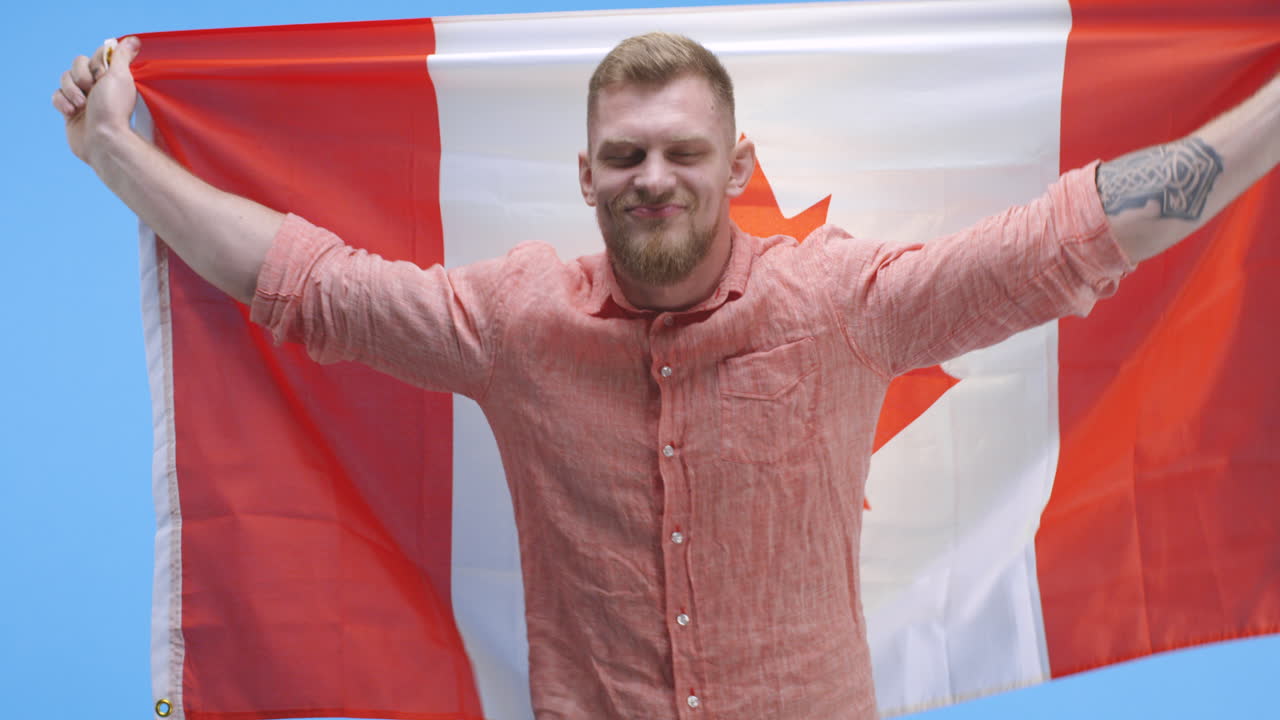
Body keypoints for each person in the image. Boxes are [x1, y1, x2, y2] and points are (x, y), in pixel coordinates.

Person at [55, 31, 1278, 720]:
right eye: (626, 155)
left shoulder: (841, 304)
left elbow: (1069, 240)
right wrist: (114, 154)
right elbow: (307, 284)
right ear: (585, 175)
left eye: (684, 152)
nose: (654, 179)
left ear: (734, 164)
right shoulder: (514, 323)